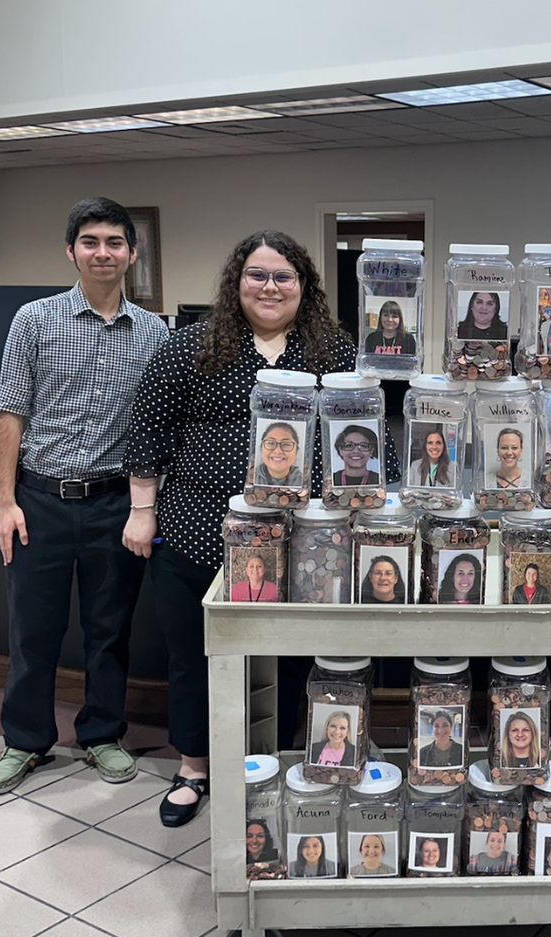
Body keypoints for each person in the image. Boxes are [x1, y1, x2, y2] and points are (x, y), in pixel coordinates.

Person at [123, 229, 363, 828]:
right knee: (196, 655)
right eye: (257, 274)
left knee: (288, 658)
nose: (269, 287)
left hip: (307, 540)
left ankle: (274, 762)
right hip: (200, 529)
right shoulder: (192, 346)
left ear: (303, 285)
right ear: (237, 281)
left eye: (284, 276)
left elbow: (362, 432)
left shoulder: (333, 350)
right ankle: (194, 768)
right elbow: (148, 428)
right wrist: (141, 509)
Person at [0, 198, 168, 796]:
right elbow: (10, 412)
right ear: (71, 251)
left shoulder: (154, 332)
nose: (102, 253)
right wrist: (6, 501)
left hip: (114, 503)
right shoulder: (34, 320)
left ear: (132, 254)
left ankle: (102, 734)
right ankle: (24, 740)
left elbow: (155, 424)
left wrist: (146, 505)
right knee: (31, 632)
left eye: (114, 242)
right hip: (40, 501)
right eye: (90, 241)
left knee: (108, 631)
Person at [251, 421, 302, 488]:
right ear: (261, 449)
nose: (278, 451)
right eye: (271, 443)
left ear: (296, 451)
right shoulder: (250, 477)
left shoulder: (305, 481)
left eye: (286, 444)